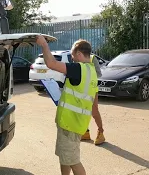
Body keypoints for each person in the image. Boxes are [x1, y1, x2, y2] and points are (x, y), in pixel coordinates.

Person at [36, 35, 98, 175]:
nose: (72, 60)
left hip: (70, 125)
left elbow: (51, 63)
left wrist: (44, 45)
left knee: (73, 161)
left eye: (73, 56)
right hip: (75, 123)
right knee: (66, 158)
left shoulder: (79, 68)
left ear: (79, 54)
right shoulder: (91, 71)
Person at [80, 55, 106, 145]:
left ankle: (101, 133)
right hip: (81, 89)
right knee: (83, 111)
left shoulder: (92, 58)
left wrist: (86, 72)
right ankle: (85, 132)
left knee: (94, 112)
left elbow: (99, 73)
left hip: (92, 89)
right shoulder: (76, 58)